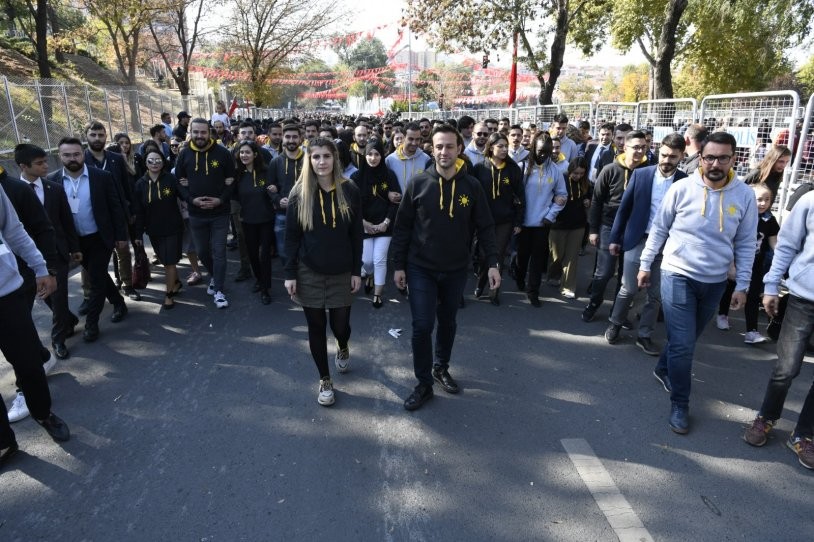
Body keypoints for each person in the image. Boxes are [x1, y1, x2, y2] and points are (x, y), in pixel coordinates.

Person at [638, 131, 758, 434]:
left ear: (734, 159)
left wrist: (742, 285)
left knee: (686, 339)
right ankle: (680, 403)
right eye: (709, 157)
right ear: (700, 157)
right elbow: (659, 229)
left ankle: (663, 367)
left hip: (715, 281)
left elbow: (745, 244)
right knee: (684, 344)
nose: (715, 163)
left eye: (722, 157)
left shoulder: (744, 195)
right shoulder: (680, 189)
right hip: (677, 273)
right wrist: (644, 265)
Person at [390, 124, 500, 411]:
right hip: (420, 268)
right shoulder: (418, 183)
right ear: (432, 148)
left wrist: (492, 263)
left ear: (459, 149)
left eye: (449, 146)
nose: (443, 152)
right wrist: (398, 265)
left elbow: (486, 227)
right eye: (438, 146)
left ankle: (441, 368)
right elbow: (402, 228)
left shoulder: (472, 186)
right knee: (422, 326)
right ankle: (424, 383)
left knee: (448, 322)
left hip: (455, 269)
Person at [283, 138, 362, 407]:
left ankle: (342, 345)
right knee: (316, 326)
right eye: (315, 157)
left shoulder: (349, 189)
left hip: (342, 271)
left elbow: (356, 235)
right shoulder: (299, 192)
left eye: (326, 156)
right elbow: (292, 237)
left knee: (340, 326)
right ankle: (325, 379)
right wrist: (290, 273)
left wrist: (356, 270)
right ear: (309, 160)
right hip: (309, 271)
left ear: (335, 159)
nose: (321, 162)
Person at [742, 190, 814, 470]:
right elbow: (785, 246)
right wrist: (771, 286)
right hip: (803, 299)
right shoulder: (809, 201)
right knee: (787, 369)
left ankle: (804, 435)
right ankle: (766, 417)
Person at [1, 184, 70, 468]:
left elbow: (14, 230)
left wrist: (41, 267)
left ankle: (43, 413)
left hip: (6, 293)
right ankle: (4, 441)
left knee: (29, 364)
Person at [605, 133, 687, 355]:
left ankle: (644, 335)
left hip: (667, 245)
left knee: (656, 295)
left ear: (681, 156)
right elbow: (624, 209)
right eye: (664, 155)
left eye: (673, 157)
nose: (667, 160)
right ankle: (615, 322)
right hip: (637, 239)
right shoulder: (641, 175)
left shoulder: (685, 181)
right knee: (629, 287)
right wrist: (615, 238)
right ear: (658, 151)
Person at [48, 137, 129, 342]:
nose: (72, 158)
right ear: (60, 156)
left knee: (96, 279)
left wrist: (121, 236)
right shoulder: (52, 181)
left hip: (100, 238)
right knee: (98, 274)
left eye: (76, 154)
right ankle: (119, 302)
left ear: (83, 154)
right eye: (67, 155)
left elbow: (115, 208)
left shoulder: (101, 176)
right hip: (75, 242)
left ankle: (92, 323)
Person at [14, 144, 80, 362]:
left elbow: (66, 221)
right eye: (39, 163)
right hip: (25, 258)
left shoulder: (54, 188)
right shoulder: (10, 192)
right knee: (47, 297)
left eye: (45, 161)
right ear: (23, 166)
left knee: (57, 296)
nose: (45, 166)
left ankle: (58, 340)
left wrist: (74, 247)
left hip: (55, 253)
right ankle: (67, 320)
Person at [581, 130, 649, 322]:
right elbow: (596, 201)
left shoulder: (648, 171)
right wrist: (593, 230)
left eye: (643, 147)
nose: (639, 151)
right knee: (604, 273)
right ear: (624, 147)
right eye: (635, 147)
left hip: (634, 231)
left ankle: (617, 313)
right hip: (608, 227)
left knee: (626, 277)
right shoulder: (610, 169)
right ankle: (593, 303)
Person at [174, 118, 237, 309]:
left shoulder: (223, 153)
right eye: (196, 132)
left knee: (219, 251)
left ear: (209, 132)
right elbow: (178, 182)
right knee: (202, 251)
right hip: (196, 213)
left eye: (203, 132)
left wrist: (220, 199)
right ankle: (215, 277)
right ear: (190, 133)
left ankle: (219, 290)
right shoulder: (183, 155)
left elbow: (232, 180)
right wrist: (191, 200)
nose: (200, 136)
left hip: (220, 212)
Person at [716, 183, 779, 343]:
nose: (763, 203)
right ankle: (722, 314)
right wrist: (731, 265)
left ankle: (752, 331)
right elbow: (726, 236)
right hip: (735, 261)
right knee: (730, 289)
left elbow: (774, 242)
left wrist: (781, 257)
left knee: (752, 296)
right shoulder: (736, 212)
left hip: (756, 264)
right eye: (759, 199)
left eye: (767, 199)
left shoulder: (770, 220)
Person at [514, 132, 567, 307]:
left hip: (542, 223)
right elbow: (514, 194)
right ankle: (519, 276)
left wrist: (550, 215)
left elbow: (562, 195)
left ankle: (533, 291)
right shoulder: (522, 167)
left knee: (537, 259)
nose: (543, 155)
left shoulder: (556, 171)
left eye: (547, 152)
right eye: (540, 151)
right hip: (523, 223)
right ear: (533, 149)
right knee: (522, 256)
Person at [471, 132, 525, 305]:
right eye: (500, 146)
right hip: (483, 221)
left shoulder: (513, 169)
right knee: (483, 255)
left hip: (505, 221)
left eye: (505, 146)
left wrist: (518, 221)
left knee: (498, 255)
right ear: (491, 147)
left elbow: (520, 197)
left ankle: (494, 291)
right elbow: (472, 195)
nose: (504, 149)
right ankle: (481, 282)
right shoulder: (480, 168)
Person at [351, 138, 400, 308]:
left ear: (382, 155)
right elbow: (352, 205)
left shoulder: (389, 175)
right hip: (363, 226)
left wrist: (386, 222)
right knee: (367, 261)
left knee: (379, 259)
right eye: (370, 154)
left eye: (377, 154)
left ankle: (378, 294)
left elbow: (395, 201)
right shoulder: (356, 177)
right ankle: (369, 276)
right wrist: (364, 223)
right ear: (365, 155)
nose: (373, 158)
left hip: (384, 226)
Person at [132, 150, 184, 309]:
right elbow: (139, 212)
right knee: (165, 260)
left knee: (169, 262)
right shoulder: (140, 184)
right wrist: (138, 234)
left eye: (158, 160)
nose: (154, 163)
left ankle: (169, 295)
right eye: (150, 161)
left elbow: (184, 195)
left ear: (163, 162)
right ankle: (175, 282)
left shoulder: (171, 179)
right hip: (153, 230)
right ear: (145, 163)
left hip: (173, 227)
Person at [233, 141, 276, 304]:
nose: (244, 155)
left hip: (266, 219)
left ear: (255, 154)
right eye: (241, 152)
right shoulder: (237, 174)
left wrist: (275, 191)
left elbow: (275, 189)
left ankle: (265, 289)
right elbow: (232, 194)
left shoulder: (266, 172)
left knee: (264, 254)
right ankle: (259, 279)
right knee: (252, 254)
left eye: (247, 152)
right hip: (247, 220)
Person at [548, 157, 591, 299]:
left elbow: (591, 196)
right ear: (570, 170)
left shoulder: (586, 183)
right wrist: (554, 199)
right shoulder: (561, 179)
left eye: (581, 173)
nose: (578, 176)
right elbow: (549, 194)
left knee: (571, 257)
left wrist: (587, 201)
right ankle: (553, 274)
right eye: (576, 173)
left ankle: (567, 286)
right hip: (559, 224)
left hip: (578, 225)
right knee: (557, 256)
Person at [268, 123, 305, 266]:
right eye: (288, 137)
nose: (291, 140)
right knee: (283, 252)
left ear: (300, 138)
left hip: (305, 213)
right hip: (282, 214)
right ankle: (291, 279)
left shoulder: (309, 160)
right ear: (283, 138)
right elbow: (269, 187)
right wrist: (277, 200)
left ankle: (303, 283)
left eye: (294, 137)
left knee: (305, 251)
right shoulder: (275, 161)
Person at [385, 122, 431, 193]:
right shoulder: (389, 160)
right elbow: (383, 184)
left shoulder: (426, 159)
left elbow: (429, 185)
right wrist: (388, 193)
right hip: (397, 204)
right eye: (411, 139)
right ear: (404, 138)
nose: (414, 143)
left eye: (417, 139)